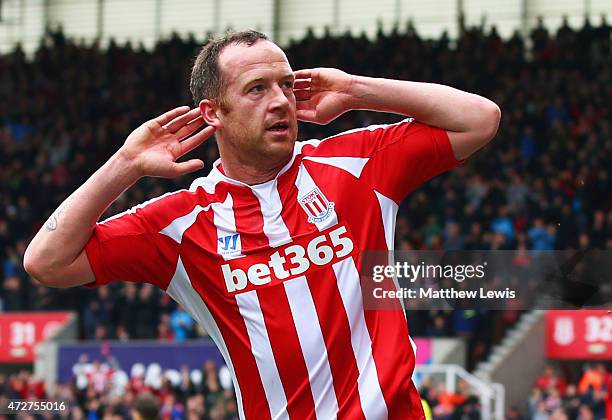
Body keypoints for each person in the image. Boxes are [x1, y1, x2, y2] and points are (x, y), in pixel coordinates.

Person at [24, 30, 500, 419]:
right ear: (213, 113)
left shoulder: (355, 162)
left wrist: (356, 90)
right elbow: (46, 262)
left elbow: (479, 119)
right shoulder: (180, 224)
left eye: (286, 85)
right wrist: (125, 164)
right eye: (256, 89)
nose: (280, 102)